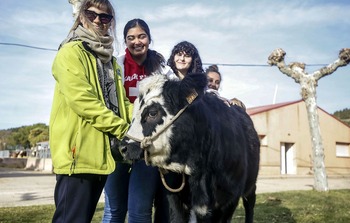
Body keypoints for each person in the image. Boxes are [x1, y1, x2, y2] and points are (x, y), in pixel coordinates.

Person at [49, 0, 133, 222]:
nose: (98, 20)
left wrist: (149, 118)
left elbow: (123, 104)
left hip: (101, 157)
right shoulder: (70, 52)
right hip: (78, 156)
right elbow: (83, 101)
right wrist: (124, 129)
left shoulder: (110, 61)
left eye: (105, 17)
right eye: (92, 14)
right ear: (81, 16)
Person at [103, 18, 174, 223]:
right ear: (125, 41)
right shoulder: (114, 65)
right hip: (118, 143)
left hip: (146, 147)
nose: (137, 41)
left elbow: (176, 98)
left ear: (149, 39)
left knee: (139, 211)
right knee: (113, 210)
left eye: (141, 36)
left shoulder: (162, 69)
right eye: (130, 38)